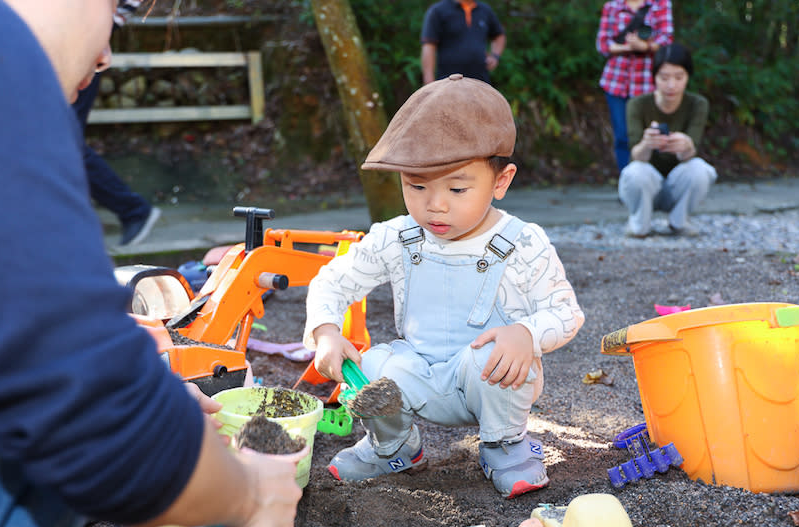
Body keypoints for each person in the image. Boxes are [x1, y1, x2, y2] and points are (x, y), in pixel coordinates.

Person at [0, 2, 306, 527]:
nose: (109, 52)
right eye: (118, 6)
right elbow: (84, 406)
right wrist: (248, 494)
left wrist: (149, 396)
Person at [303, 74, 585, 499]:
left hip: (488, 379)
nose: (434, 204)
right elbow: (332, 280)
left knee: (496, 355)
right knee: (373, 368)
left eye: (456, 188)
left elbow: (566, 313)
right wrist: (325, 331)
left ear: (501, 181)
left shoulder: (523, 242)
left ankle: (504, 445)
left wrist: (526, 333)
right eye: (416, 186)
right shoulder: (397, 237)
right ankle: (394, 446)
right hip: (418, 372)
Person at [75, 0, 161, 246]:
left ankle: (132, 210)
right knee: (60, 140)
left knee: (62, 139)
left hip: (81, 42)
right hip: (77, 40)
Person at [618, 42, 717, 237]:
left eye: (679, 77)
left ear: (687, 77)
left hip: (676, 184)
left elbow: (691, 152)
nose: (671, 85)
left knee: (701, 169)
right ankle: (639, 225)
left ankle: (679, 222)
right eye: (664, 78)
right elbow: (635, 155)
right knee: (635, 172)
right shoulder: (637, 105)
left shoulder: (697, 104)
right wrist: (647, 144)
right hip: (647, 183)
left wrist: (685, 145)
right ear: (654, 77)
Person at [596, 0, 674, 174]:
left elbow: (667, 41)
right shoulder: (612, 6)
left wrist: (645, 46)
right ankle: (627, 182)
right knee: (622, 137)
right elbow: (602, 45)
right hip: (616, 82)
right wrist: (628, 47)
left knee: (652, 135)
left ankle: (654, 180)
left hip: (648, 84)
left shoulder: (660, 4)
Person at [421, 0, 506, 85]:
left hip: (480, 83)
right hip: (448, 84)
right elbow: (429, 46)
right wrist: (429, 85)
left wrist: (495, 56)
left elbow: (499, 35)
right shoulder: (438, 10)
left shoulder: (485, 10)